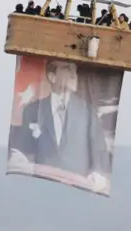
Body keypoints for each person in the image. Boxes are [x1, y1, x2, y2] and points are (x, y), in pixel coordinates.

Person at [8, 59, 112, 192]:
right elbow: (24, 150)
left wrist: (97, 173)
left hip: (77, 191)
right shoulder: (33, 110)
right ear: (52, 76)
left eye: (75, 70)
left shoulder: (87, 112)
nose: (74, 75)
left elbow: (99, 150)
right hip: (41, 189)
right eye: (68, 68)